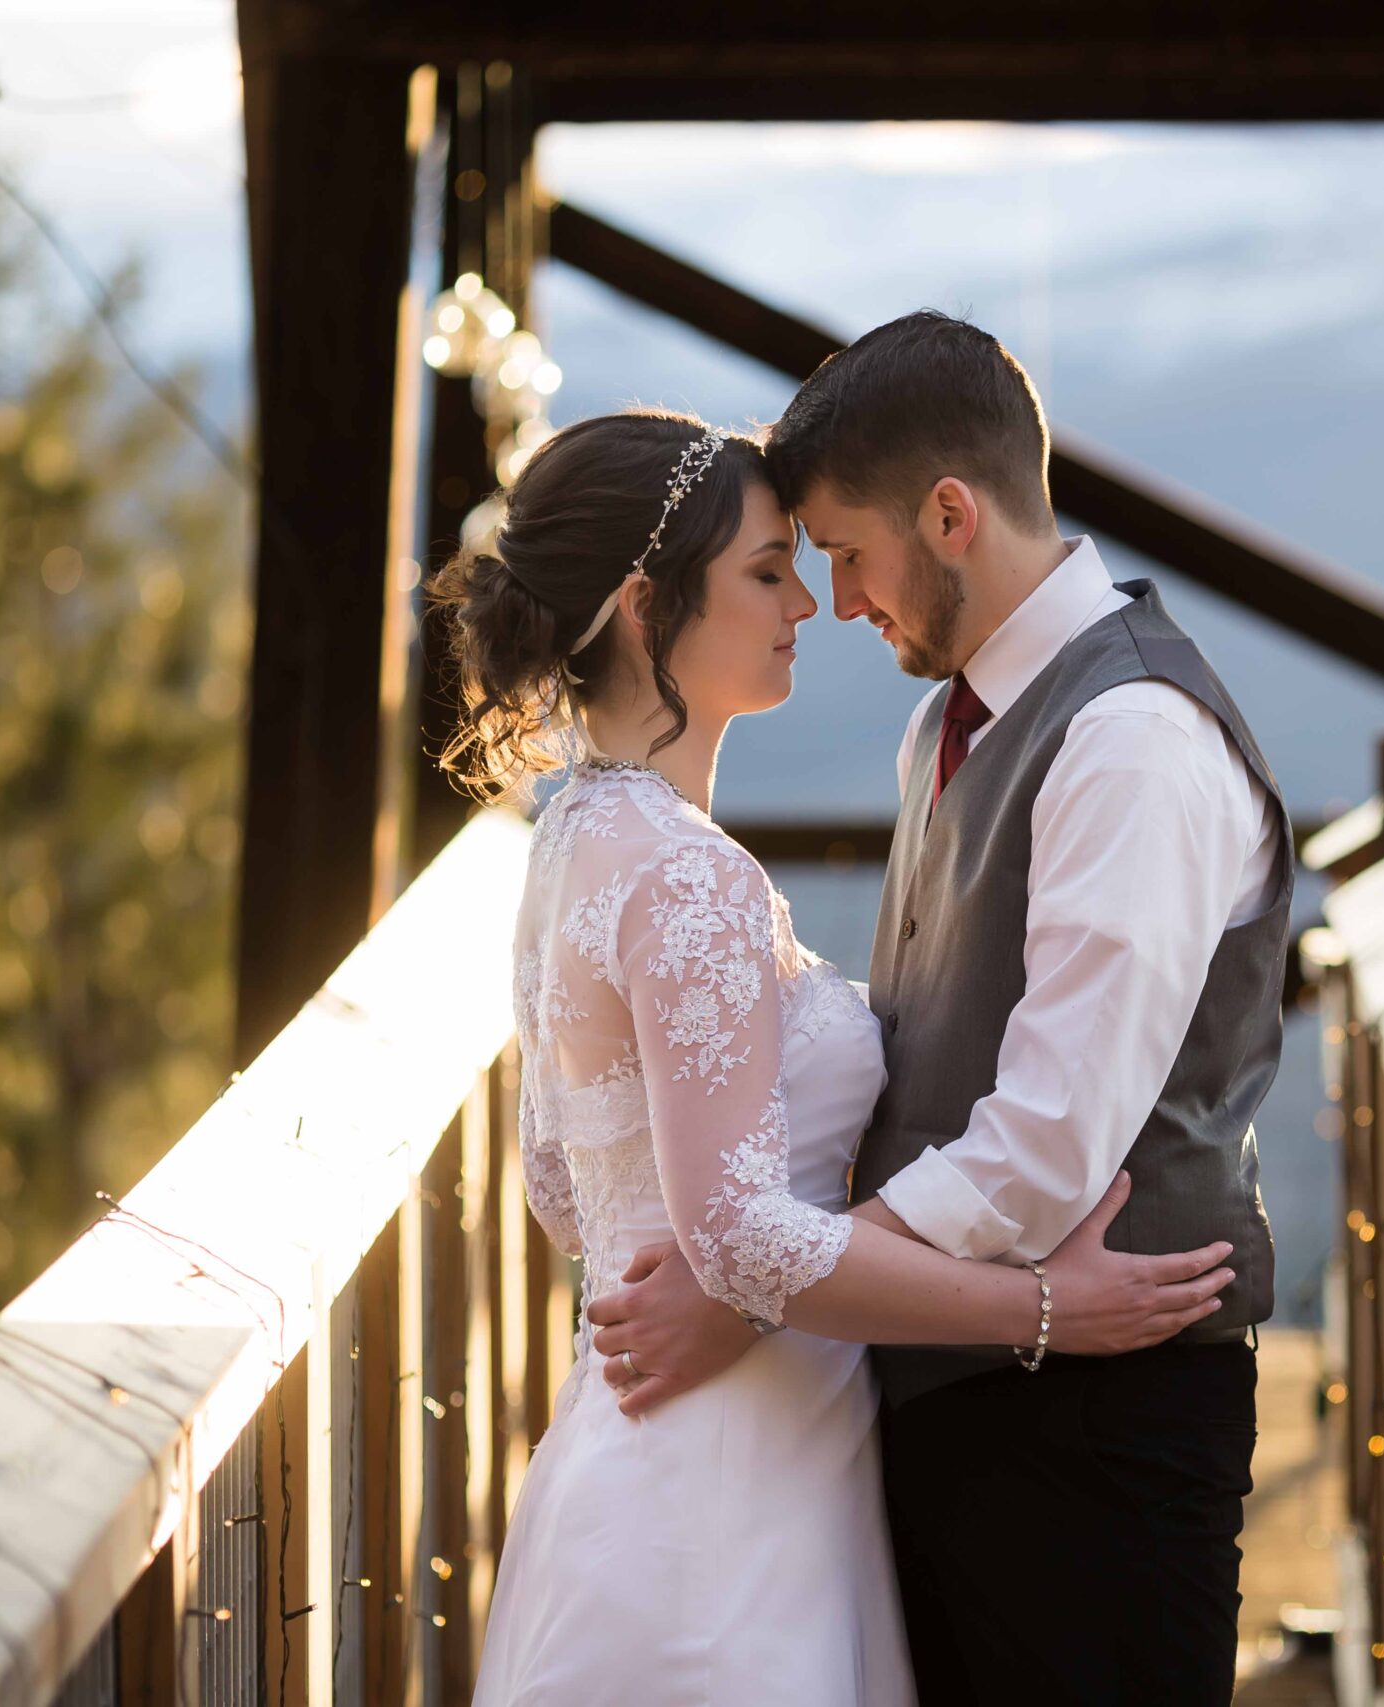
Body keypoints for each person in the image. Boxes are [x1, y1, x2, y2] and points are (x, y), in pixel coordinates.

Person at [431, 407, 1238, 1705]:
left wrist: (719, 1249)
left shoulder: (572, 836)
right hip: (728, 1511)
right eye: (765, 570)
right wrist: (1047, 1312)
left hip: (644, 1466)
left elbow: (567, 1195)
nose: (805, 599)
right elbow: (743, 1242)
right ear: (649, 609)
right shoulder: (692, 879)